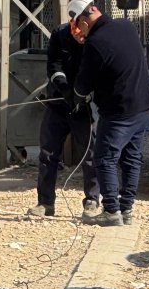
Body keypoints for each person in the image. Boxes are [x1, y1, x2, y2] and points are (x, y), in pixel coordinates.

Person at [68, 0, 149, 227]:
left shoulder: (95, 44)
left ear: (84, 22)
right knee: (132, 157)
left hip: (120, 111)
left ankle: (111, 211)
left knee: (105, 157)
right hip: (144, 106)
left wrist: (76, 99)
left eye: (80, 27)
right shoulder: (126, 26)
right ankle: (126, 209)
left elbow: (83, 83)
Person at [29, 20, 100, 218]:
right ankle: (45, 203)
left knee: (90, 153)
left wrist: (83, 93)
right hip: (58, 103)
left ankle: (92, 200)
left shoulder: (96, 36)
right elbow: (53, 65)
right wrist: (65, 88)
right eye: (76, 30)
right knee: (48, 154)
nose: (80, 35)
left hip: (84, 106)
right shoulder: (59, 34)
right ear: (73, 21)